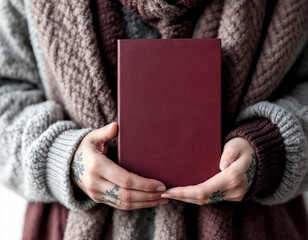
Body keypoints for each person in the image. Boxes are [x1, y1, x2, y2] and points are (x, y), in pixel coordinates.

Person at [0, 0, 307, 239]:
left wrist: (272, 147)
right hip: (72, 224)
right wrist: (62, 158)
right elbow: (6, 94)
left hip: (256, 225)